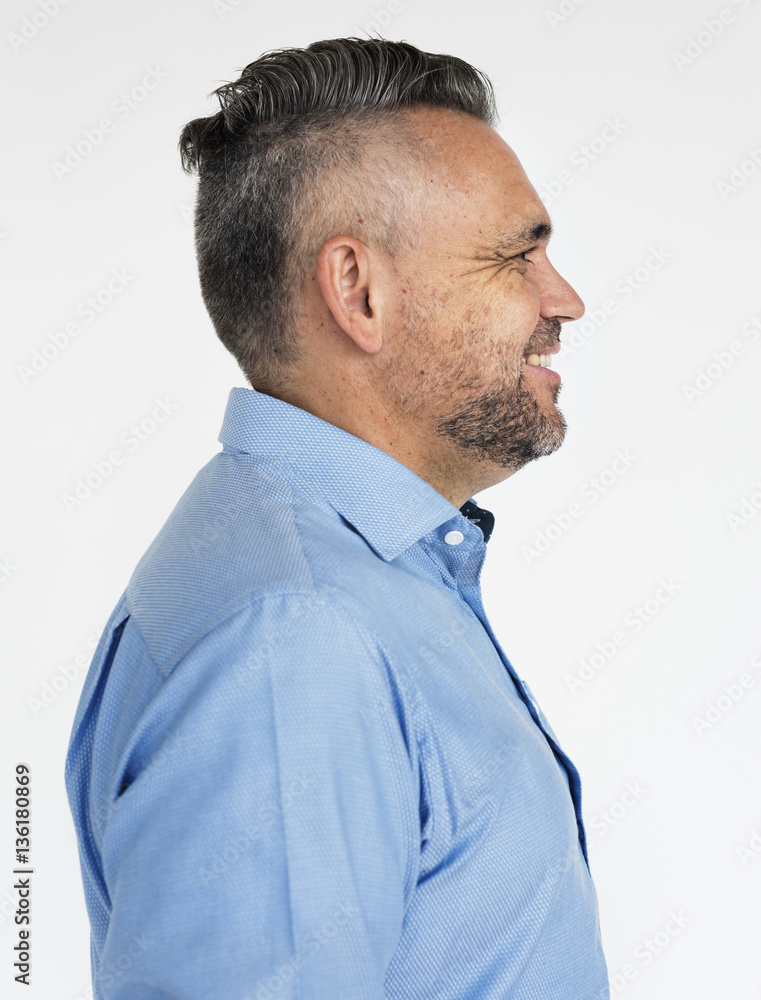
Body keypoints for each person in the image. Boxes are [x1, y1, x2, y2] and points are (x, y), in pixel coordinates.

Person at [65, 36, 610, 999]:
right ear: (358, 291)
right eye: (517, 253)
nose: (561, 296)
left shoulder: (342, 580)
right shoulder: (294, 638)